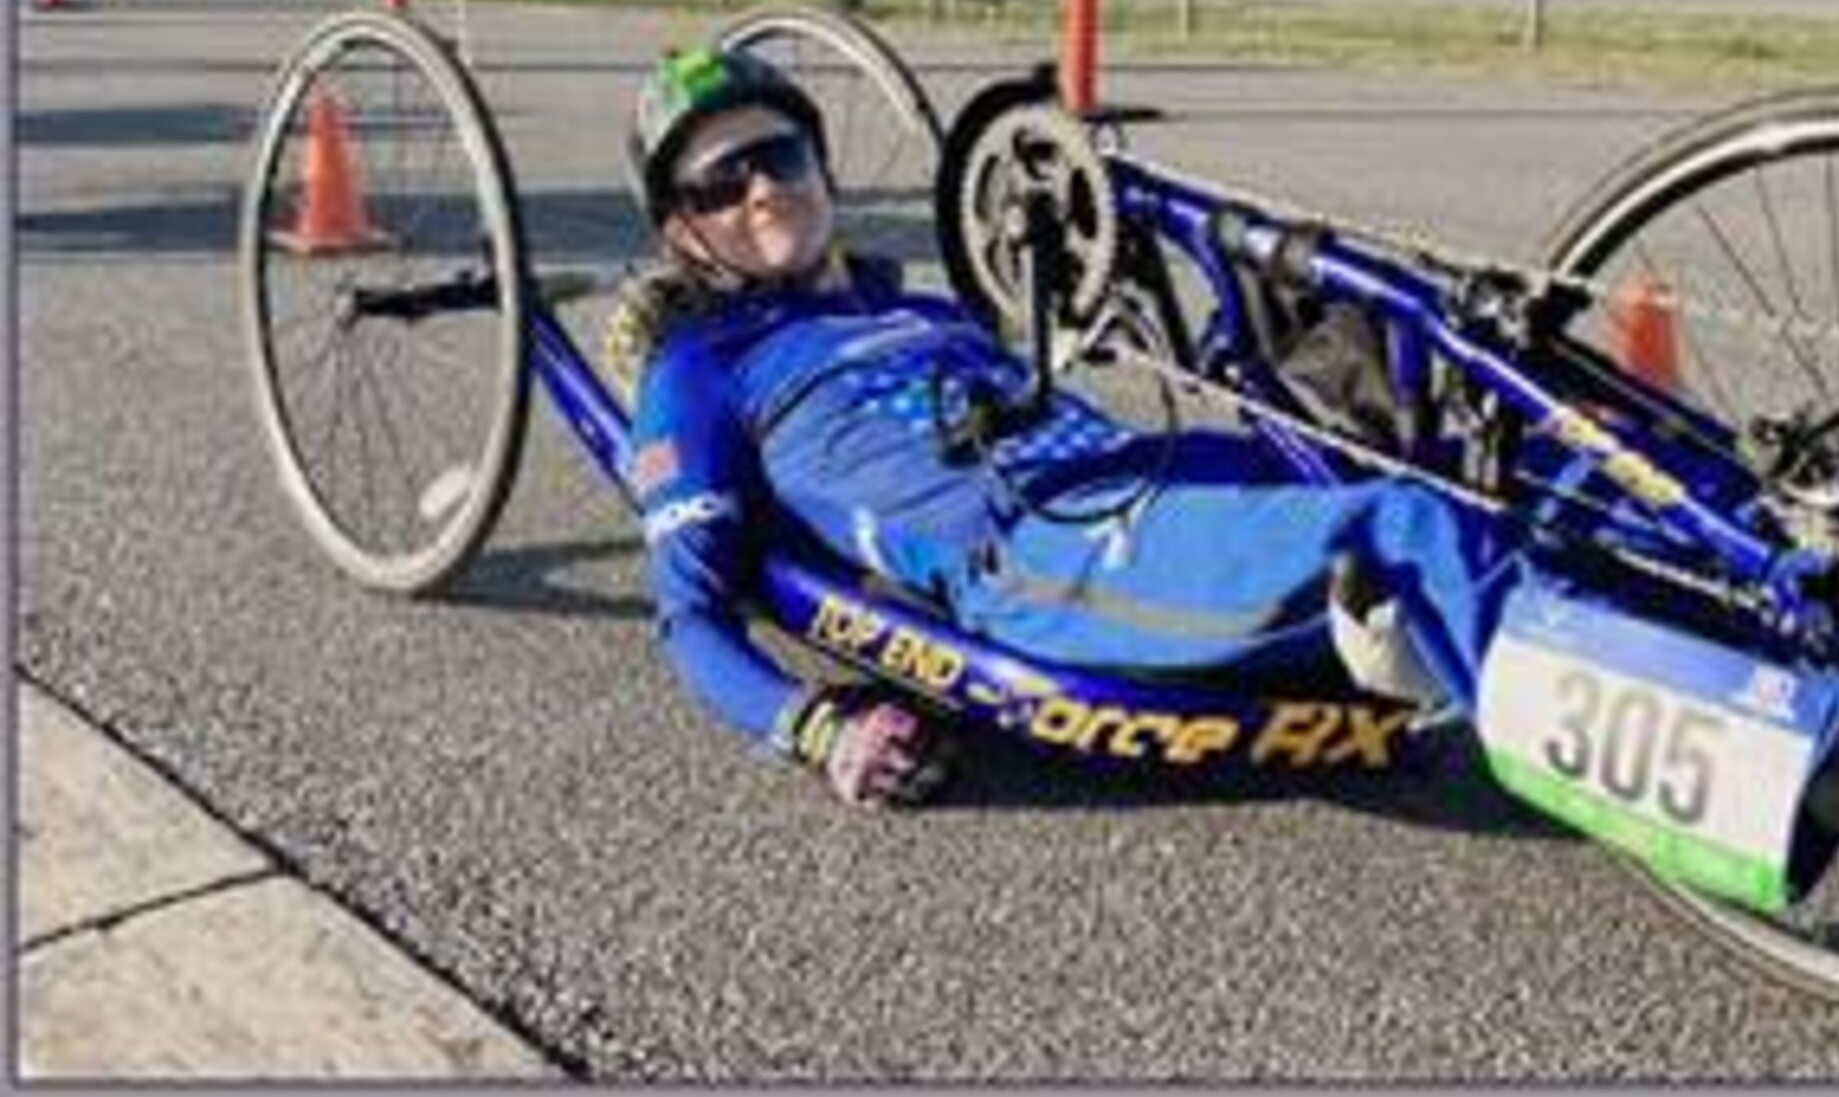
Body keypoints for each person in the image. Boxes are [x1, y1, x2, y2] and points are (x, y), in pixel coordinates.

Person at [607, 45, 1523, 808]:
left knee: (1486, 466)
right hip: (1043, 547)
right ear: (682, 230)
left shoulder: (926, 309)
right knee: (1410, 528)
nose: (762, 189)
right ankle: (1636, 769)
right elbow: (691, 612)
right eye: (720, 183)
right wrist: (815, 725)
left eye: (780, 156)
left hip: (1144, 472)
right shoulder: (700, 367)